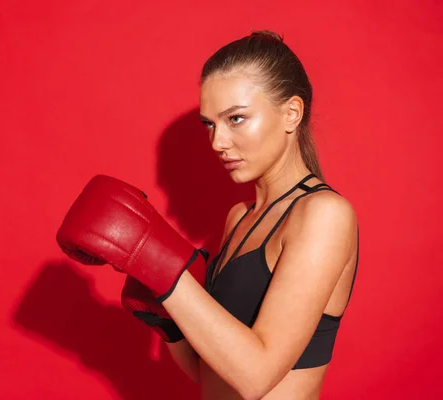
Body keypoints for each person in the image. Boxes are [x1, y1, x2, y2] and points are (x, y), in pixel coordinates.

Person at [57, 30, 359, 400]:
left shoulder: (324, 214)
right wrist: (169, 323)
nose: (217, 142)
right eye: (210, 124)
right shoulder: (238, 218)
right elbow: (208, 374)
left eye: (235, 119)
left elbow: (255, 376)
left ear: (291, 113)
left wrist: (162, 267)